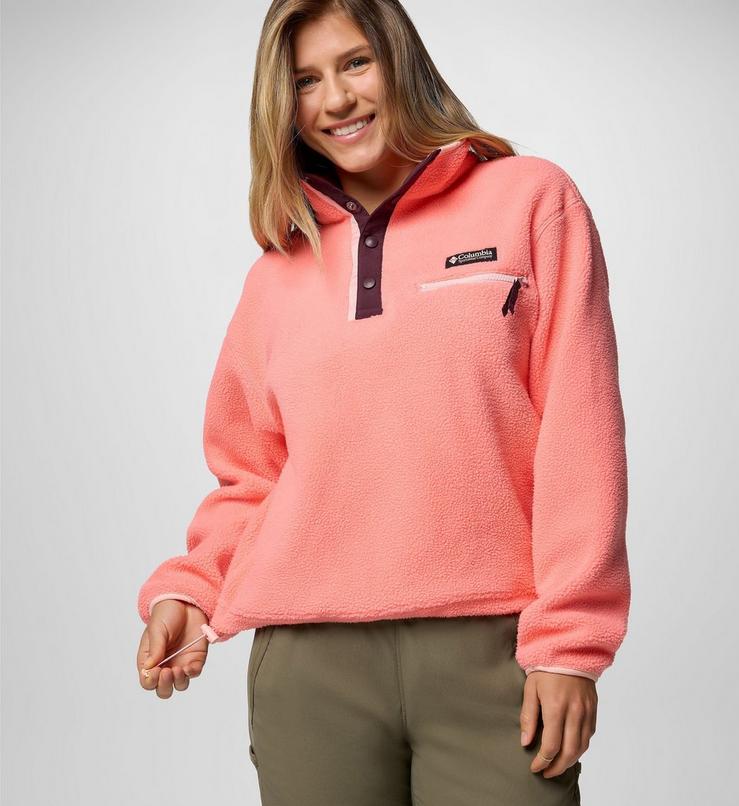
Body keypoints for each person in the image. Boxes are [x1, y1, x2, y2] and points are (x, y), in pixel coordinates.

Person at [135, 1, 630, 804]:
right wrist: (191, 592)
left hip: (493, 654)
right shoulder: (276, 274)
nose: (335, 99)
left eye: (355, 63)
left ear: (401, 61)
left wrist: (569, 644)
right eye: (305, 81)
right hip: (311, 670)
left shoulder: (532, 200)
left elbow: (580, 434)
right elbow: (252, 478)